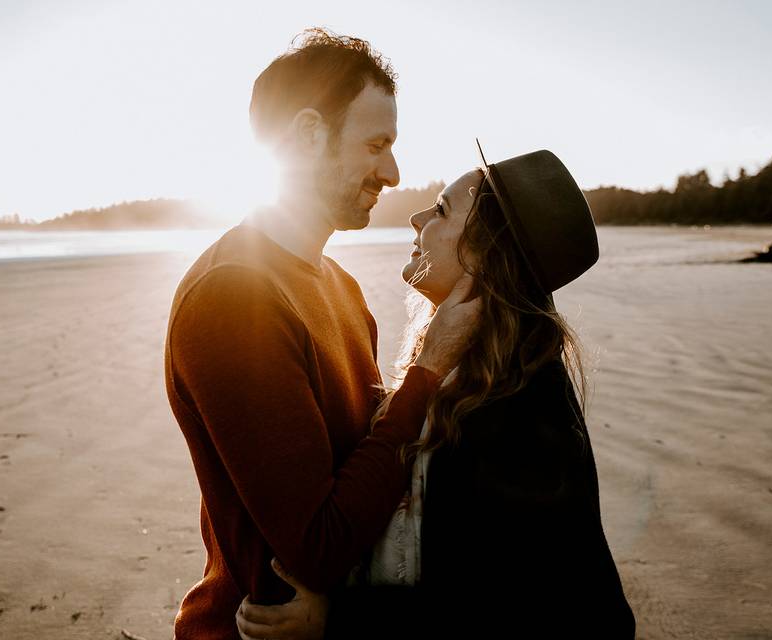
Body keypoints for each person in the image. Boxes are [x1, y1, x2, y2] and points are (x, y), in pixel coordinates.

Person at [235, 148, 636, 638]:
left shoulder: (522, 408)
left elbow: (523, 609)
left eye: (442, 210)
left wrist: (339, 620)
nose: (417, 215)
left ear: (487, 256)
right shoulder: (465, 373)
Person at [164, 30, 478, 639]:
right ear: (308, 134)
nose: (391, 171)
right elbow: (319, 547)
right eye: (375, 144)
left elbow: (367, 467)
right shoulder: (235, 297)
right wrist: (430, 368)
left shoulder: (340, 285)